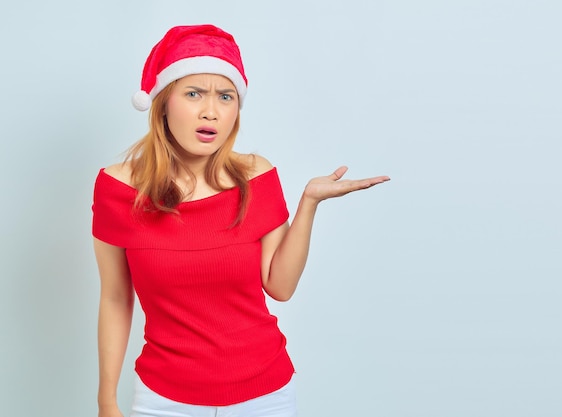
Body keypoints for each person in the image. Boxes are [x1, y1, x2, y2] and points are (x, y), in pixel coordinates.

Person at [92, 24, 390, 417]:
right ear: (163, 101)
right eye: (193, 93)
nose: (210, 111)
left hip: (266, 396)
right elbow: (115, 297)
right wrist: (106, 400)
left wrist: (308, 203)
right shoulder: (118, 188)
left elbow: (280, 287)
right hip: (164, 400)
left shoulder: (255, 176)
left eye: (225, 96)